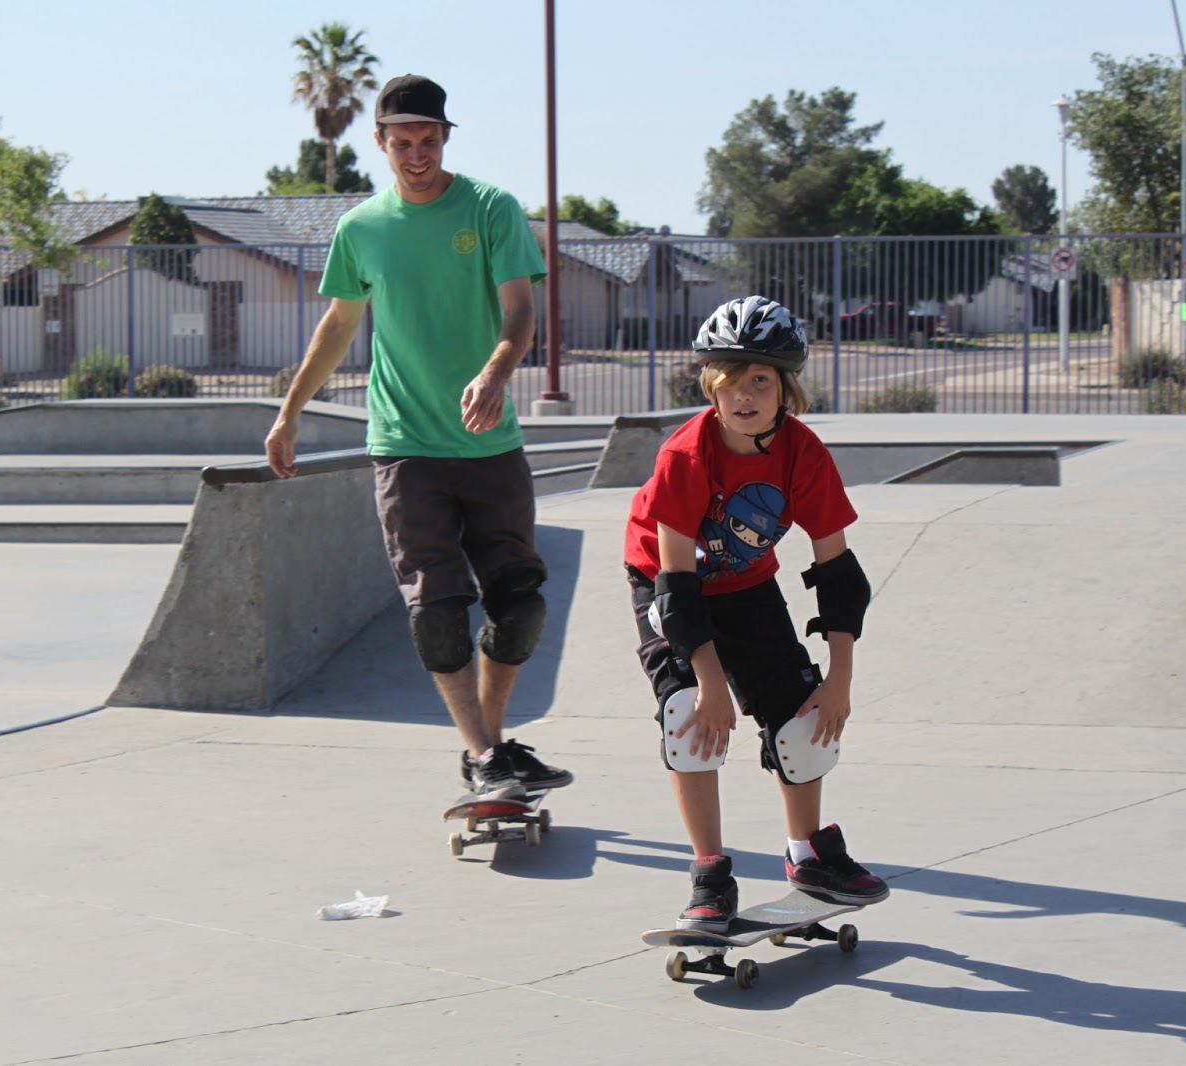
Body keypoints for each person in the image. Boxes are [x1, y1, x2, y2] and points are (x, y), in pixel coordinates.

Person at [264, 74, 572, 802]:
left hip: (491, 444)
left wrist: (497, 372)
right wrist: (289, 412)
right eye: (400, 143)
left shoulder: (491, 208)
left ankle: (487, 751)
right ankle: (485, 751)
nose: (415, 155)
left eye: (428, 141)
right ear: (380, 143)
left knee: (520, 606)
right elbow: (336, 326)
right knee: (436, 614)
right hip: (405, 446)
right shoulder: (361, 228)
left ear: (445, 138)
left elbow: (520, 313)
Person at [623, 296, 888, 933]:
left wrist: (840, 676)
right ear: (710, 385)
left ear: (785, 389)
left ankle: (809, 857)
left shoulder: (803, 453)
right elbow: (677, 589)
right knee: (687, 714)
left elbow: (838, 575)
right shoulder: (686, 456)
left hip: (747, 583)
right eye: (730, 380)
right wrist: (711, 683)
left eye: (761, 380)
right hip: (666, 579)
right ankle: (709, 875)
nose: (745, 395)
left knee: (803, 714)